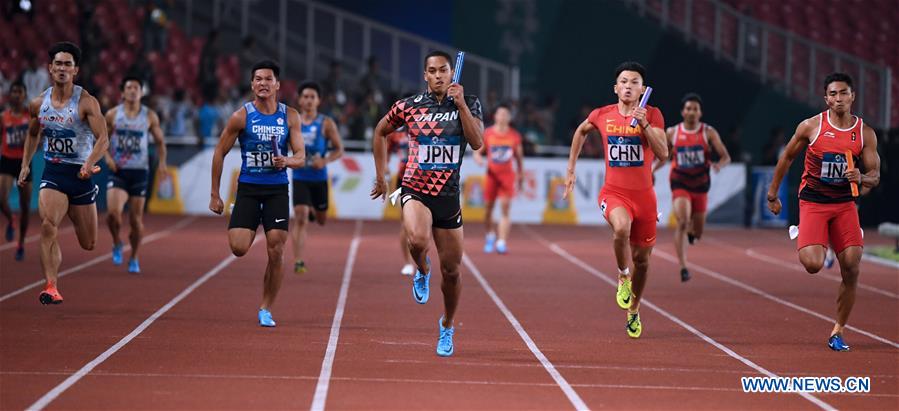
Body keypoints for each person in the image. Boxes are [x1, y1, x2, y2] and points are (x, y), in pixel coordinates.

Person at [371, 50, 484, 357]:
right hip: (415, 189)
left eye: (443, 70)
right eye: (432, 71)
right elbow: (380, 131)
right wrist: (381, 176)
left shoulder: (468, 102)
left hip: (448, 197)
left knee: (452, 271)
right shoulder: (409, 106)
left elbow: (477, 143)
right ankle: (421, 268)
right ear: (425, 75)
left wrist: (460, 104)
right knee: (417, 240)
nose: (438, 75)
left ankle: (446, 324)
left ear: (451, 73)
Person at [767, 72, 880, 352]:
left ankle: (838, 331)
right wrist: (773, 192)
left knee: (852, 267)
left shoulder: (864, 133)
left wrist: (861, 178)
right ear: (826, 98)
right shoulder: (811, 126)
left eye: (843, 93)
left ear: (852, 96)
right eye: (833, 94)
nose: (838, 99)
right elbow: (787, 157)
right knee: (813, 265)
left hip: (843, 204)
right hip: (814, 202)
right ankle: (812, 236)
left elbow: (875, 175)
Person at [563, 61, 667, 339]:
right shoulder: (602, 114)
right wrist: (571, 169)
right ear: (615, 88)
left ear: (643, 89)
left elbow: (664, 153)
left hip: (645, 198)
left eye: (634, 82)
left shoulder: (653, 115)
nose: (629, 86)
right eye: (624, 81)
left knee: (643, 262)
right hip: (614, 192)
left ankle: (634, 309)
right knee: (621, 228)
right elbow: (581, 132)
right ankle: (623, 275)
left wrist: (644, 123)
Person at [209, 59, 305, 327]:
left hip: (276, 189)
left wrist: (285, 161)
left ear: (277, 85)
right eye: (258, 79)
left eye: (268, 79)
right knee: (238, 248)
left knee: (276, 249)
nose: (263, 83)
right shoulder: (241, 116)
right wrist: (215, 194)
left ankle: (266, 308)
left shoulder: (290, 116)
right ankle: (245, 221)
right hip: (249, 189)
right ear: (252, 84)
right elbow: (219, 152)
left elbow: (301, 156)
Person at [18, 42, 109, 304]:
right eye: (58, 63)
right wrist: (25, 163)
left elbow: (103, 139)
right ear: (50, 68)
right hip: (54, 172)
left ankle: (88, 195)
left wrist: (89, 162)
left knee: (89, 243)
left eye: (67, 64)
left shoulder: (86, 103)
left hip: (81, 177)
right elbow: (33, 133)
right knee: (48, 226)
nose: (62, 68)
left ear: (75, 71)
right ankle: (51, 286)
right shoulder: (38, 104)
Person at [653, 93, 730, 282]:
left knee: (697, 232)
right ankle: (683, 266)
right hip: (680, 182)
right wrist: (652, 170)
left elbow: (726, 156)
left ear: (700, 112)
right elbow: (665, 156)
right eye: (688, 108)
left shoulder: (708, 132)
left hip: (701, 185)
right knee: (682, 221)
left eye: (695, 109)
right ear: (682, 112)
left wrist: (719, 165)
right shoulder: (673, 132)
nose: (691, 112)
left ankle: (692, 235)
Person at [104, 75, 168, 273]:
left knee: (135, 221)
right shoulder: (113, 115)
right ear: (122, 92)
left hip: (140, 172)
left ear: (141, 92)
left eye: (136, 87)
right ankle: (116, 242)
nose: (132, 91)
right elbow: (101, 140)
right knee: (113, 215)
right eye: (129, 87)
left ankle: (134, 256)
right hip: (119, 170)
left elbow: (159, 141)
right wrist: (106, 157)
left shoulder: (149, 116)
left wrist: (162, 163)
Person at [290, 81, 344, 274]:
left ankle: (315, 211)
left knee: (321, 220)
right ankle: (298, 260)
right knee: (300, 217)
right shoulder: (292, 121)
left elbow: (339, 150)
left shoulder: (326, 123)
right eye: (305, 97)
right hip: (299, 176)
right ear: (299, 99)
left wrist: (325, 160)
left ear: (319, 100)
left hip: (319, 178)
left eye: (313, 97)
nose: (309, 101)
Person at [473, 103, 523, 254]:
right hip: (492, 176)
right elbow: (477, 151)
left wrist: (521, 176)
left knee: (505, 209)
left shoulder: (514, 136)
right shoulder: (488, 133)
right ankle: (490, 235)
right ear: (495, 117)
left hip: (507, 176)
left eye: (505, 115)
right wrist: (478, 158)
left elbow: (519, 159)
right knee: (488, 210)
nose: (502, 117)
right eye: (500, 114)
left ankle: (501, 241)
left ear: (509, 118)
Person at [1, 81, 31, 260]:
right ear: (10, 95)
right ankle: (11, 219)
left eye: (20, 92)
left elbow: (38, 135)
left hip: (24, 163)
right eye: (14, 92)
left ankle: (20, 242)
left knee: (25, 205)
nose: (17, 95)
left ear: (25, 95)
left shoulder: (30, 115)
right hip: (6, 160)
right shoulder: (3, 116)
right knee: (0, 197)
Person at [386, 125, 415, 275]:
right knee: (405, 222)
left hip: (427, 180)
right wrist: (384, 165)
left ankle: (421, 259)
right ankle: (408, 262)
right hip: (403, 180)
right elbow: (385, 145)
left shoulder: (428, 126)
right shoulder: (396, 134)